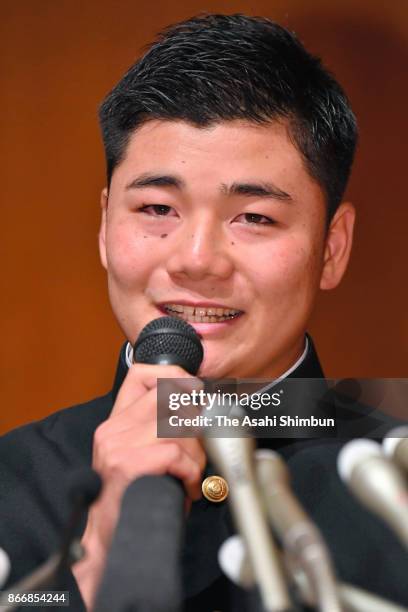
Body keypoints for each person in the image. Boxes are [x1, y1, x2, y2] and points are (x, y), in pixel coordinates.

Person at [0, 13, 407, 611]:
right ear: (105, 226)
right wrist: (91, 573)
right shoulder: (11, 481)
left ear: (333, 247)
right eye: (158, 208)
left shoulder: (392, 480)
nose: (197, 261)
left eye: (256, 217)